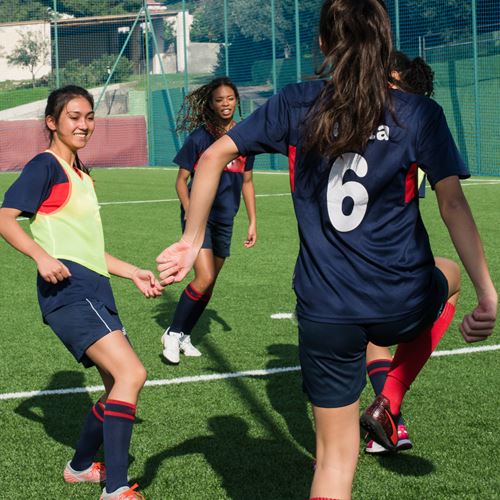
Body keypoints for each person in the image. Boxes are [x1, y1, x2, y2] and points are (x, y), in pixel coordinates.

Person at [155, 0, 497, 498]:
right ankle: (391, 399)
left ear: (321, 44)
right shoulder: (418, 111)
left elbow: (213, 154)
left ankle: (387, 401)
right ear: (384, 41)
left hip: (325, 310)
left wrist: (191, 240)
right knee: (450, 278)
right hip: (399, 298)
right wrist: (488, 292)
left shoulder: (296, 102)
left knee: (334, 464)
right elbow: (453, 206)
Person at [0, 85, 162, 500]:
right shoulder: (46, 165)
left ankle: (80, 466)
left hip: (94, 287)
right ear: (52, 122)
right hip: (68, 291)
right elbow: (5, 217)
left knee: (116, 386)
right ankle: (117, 488)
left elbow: (88, 249)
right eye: (74, 116)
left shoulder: (82, 174)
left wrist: (133, 273)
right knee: (132, 374)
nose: (84, 124)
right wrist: (39, 256)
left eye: (89, 116)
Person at [364, 50, 438, 455]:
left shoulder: (378, 124)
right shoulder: (418, 126)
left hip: (356, 259)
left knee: (372, 337)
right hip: (393, 256)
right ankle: (390, 411)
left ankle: (389, 414)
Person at [161, 77, 256, 364]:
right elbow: (180, 181)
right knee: (203, 278)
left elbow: (248, 181)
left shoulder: (244, 137)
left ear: (236, 101)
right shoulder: (201, 138)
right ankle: (173, 333)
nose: (225, 104)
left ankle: (185, 334)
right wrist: (191, 212)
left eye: (229, 98)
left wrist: (253, 220)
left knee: (210, 283)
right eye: (219, 100)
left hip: (227, 219)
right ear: (211, 104)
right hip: (200, 220)